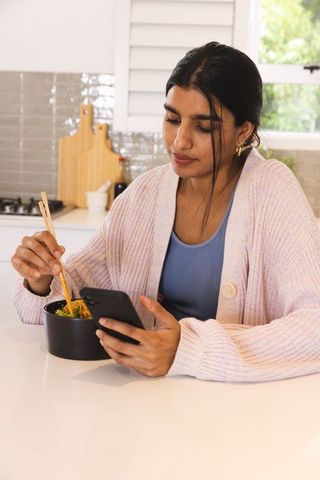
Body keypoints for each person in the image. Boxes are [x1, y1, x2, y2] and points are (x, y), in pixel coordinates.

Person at [11, 42, 320, 382]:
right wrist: (40, 280)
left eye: (204, 127)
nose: (179, 141)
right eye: (173, 119)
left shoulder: (272, 191)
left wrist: (186, 350)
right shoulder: (146, 193)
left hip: (237, 409)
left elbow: (314, 326)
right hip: (148, 400)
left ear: (243, 131)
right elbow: (75, 292)